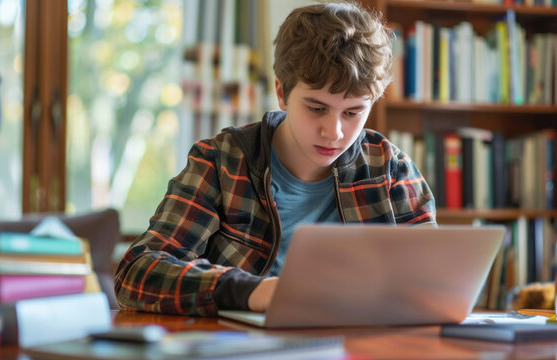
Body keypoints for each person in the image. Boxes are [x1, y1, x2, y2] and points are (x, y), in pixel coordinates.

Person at [114, 0, 436, 317]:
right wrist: (250, 291)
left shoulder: (390, 169)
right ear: (281, 93)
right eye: (316, 108)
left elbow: (439, 283)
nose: (334, 132)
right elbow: (137, 272)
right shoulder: (221, 161)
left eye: (353, 112)